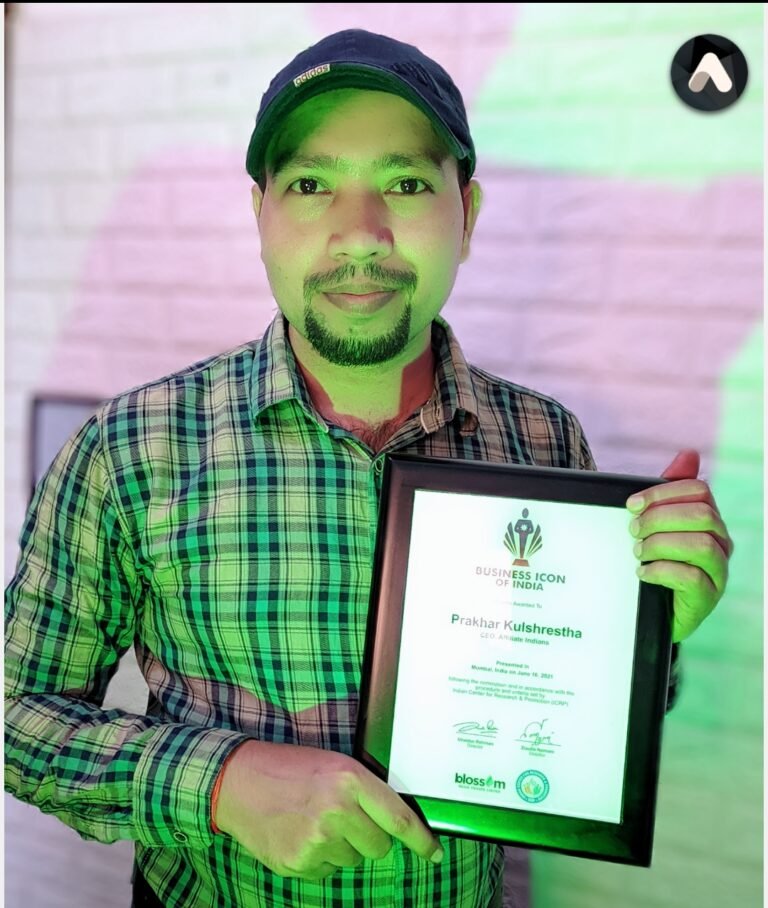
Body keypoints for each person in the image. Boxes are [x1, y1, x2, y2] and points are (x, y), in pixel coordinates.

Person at [5, 29, 733, 908]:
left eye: (406, 183)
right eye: (312, 185)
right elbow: (17, 717)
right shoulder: (132, 447)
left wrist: (653, 633)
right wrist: (221, 783)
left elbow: (571, 719)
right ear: (260, 215)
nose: (360, 233)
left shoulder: (544, 440)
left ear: (467, 215)